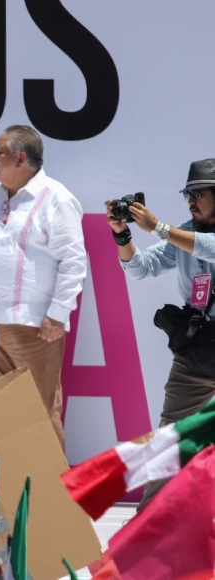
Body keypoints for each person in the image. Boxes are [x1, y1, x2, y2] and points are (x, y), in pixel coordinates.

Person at [0, 124, 87, 451]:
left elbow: (73, 261)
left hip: (33, 327)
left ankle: (52, 500)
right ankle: (7, 496)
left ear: (21, 158)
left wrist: (57, 314)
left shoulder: (56, 198)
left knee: (38, 414)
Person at [108, 158, 215, 508]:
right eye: (188, 194)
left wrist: (158, 227)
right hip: (197, 356)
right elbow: (141, 268)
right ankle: (145, 530)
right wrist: (122, 235)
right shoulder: (184, 230)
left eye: (198, 193)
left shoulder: (181, 233)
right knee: (168, 443)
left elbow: (208, 248)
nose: (190, 200)